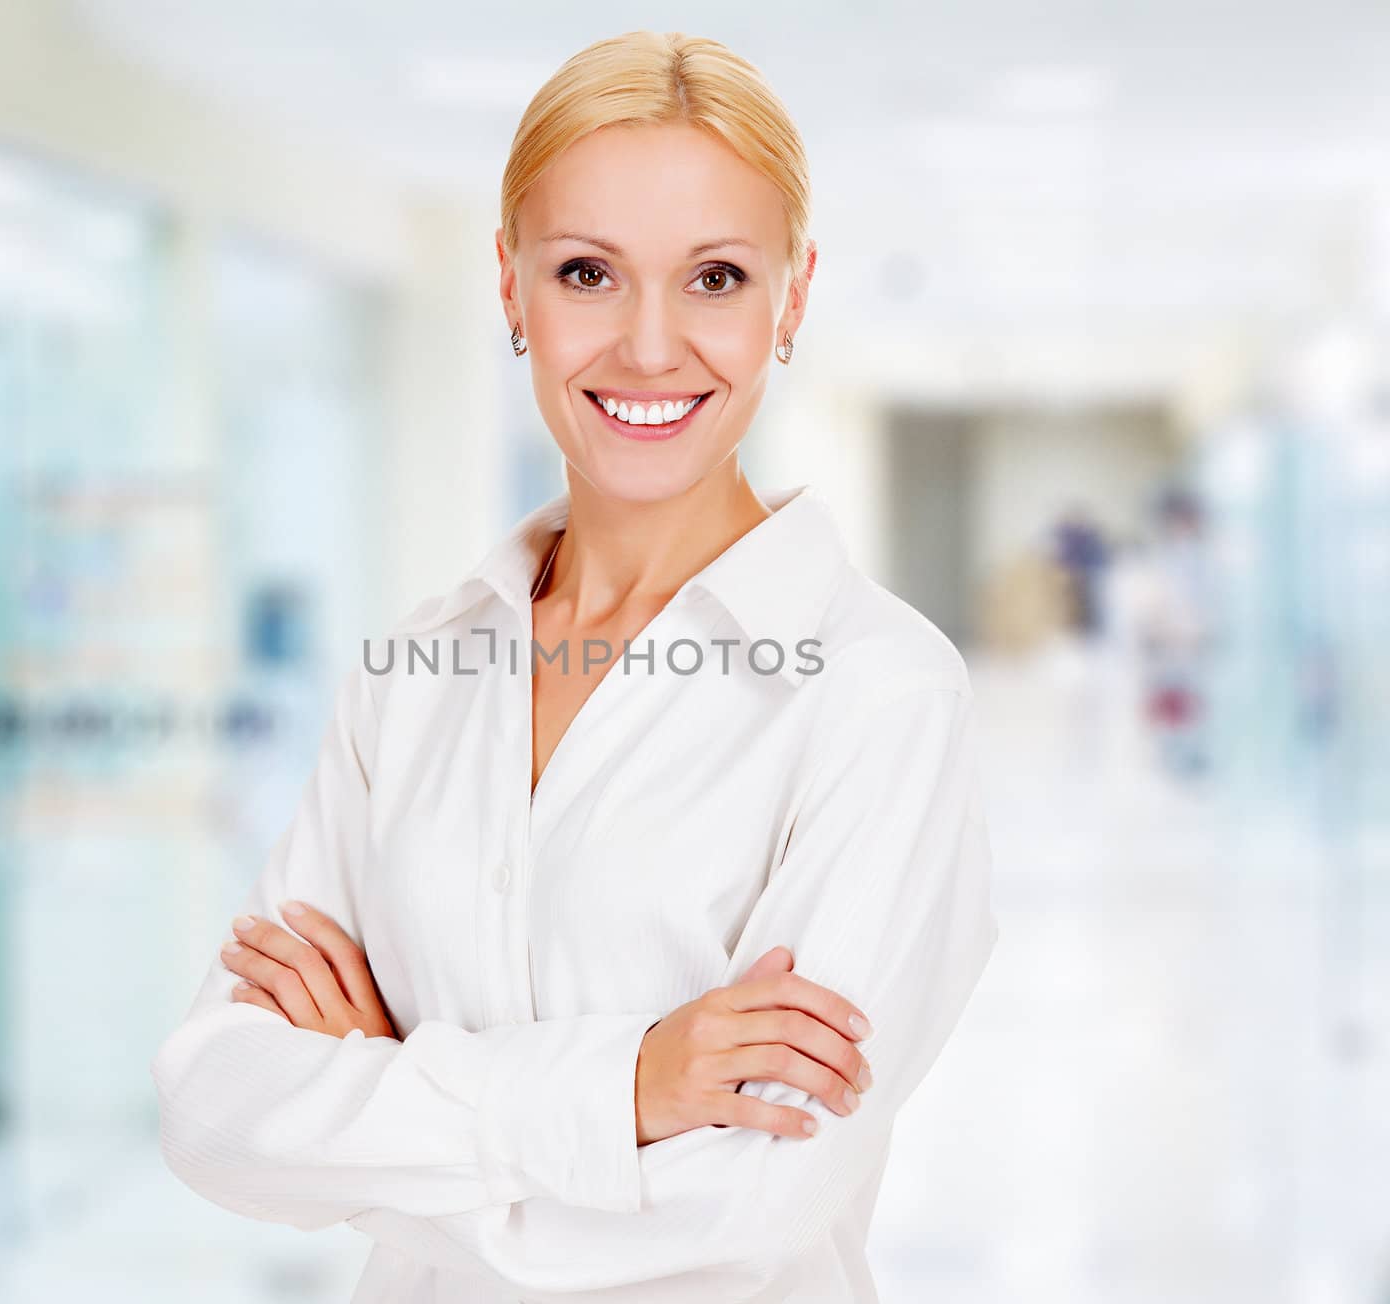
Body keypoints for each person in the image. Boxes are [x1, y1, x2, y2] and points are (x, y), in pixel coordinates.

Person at [151, 29, 999, 1303]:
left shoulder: (879, 693)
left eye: (715, 277)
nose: (649, 348)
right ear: (509, 289)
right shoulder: (418, 671)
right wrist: (630, 1087)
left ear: (793, 296)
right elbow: (218, 1104)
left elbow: (753, 1196)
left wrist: (375, 1084)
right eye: (587, 272)